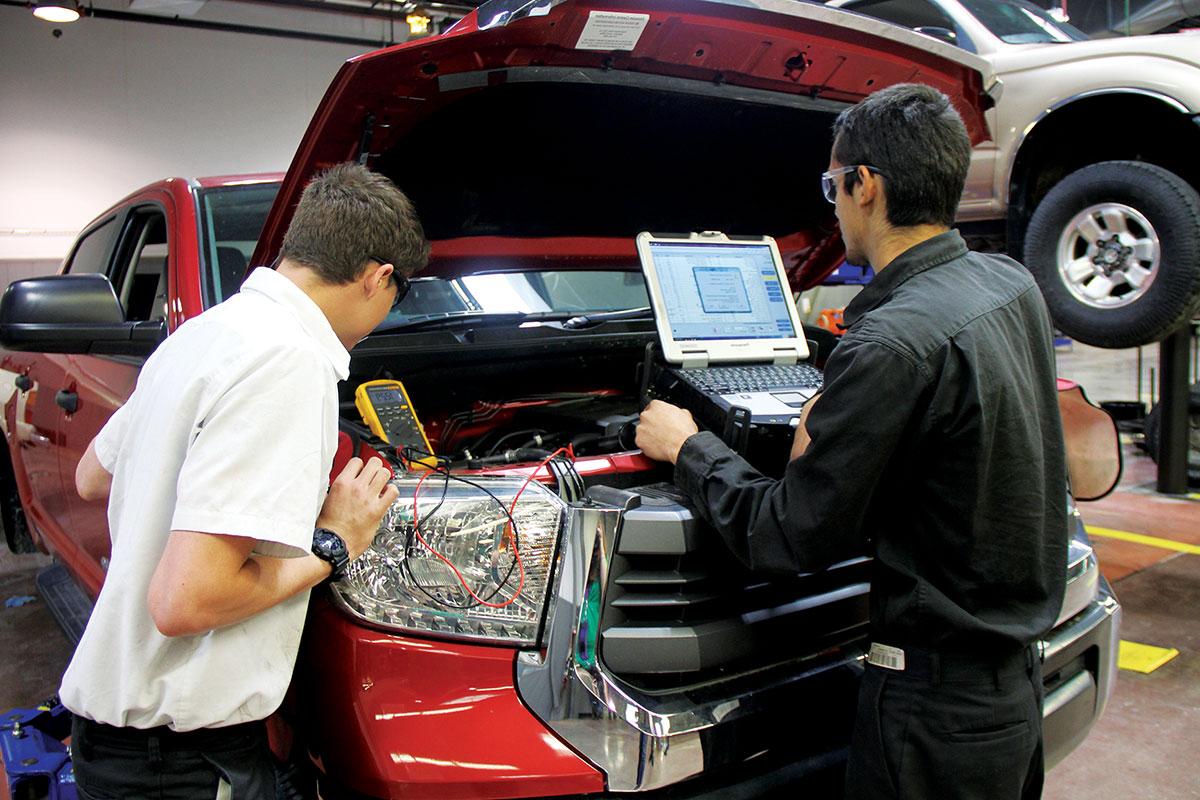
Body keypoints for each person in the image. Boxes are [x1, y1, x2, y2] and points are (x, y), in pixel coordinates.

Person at [636, 83, 1067, 800]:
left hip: (930, 718)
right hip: (1011, 692)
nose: (832, 202)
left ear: (865, 185)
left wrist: (687, 447)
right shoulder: (1009, 285)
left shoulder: (891, 346)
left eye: (834, 184)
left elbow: (787, 537)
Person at [60, 162, 430, 799]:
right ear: (378, 278)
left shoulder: (201, 336)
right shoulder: (290, 361)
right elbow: (186, 601)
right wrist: (333, 542)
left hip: (123, 745)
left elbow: (93, 475)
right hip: (183, 769)